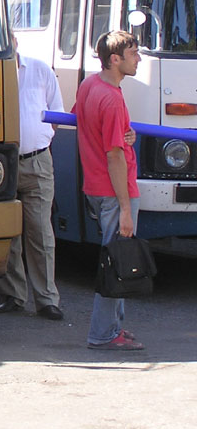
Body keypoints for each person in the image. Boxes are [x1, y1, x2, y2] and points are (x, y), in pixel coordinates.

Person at [73, 30, 143, 350]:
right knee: (115, 264)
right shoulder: (112, 97)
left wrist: (123, 134)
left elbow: (80, 118)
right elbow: (113, 155)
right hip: (114, 191)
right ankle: (103, 334)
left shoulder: (90, 85)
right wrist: (126, 208)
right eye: (133, 53)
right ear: (115, 59)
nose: (138, 59)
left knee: (116, 259)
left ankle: (114, 328)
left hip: (96, 187)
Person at [0, 37, 64, 320]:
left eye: (8, 38)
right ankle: (12, 296)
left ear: (15, 42)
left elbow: (56, 113)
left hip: (36, 160)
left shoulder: (39, 69)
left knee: (40, 232)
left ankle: (47, 299)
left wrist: (41, 140)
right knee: (7, 233)